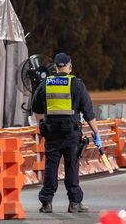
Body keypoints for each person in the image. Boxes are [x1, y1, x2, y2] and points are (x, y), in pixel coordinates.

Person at [31, 52, 102, 213]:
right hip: (71, 133)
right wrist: (96, 134)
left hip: (51, 133)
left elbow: (36, 109)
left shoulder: (45, 84)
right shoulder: (76, 84)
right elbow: (88, 113)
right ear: (69, 67)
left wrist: (42, 124)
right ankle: (74, 203)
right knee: (71, 166)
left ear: (55, 67)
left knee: (51, 166)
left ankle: (46, 202)